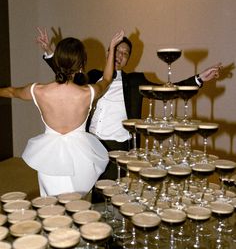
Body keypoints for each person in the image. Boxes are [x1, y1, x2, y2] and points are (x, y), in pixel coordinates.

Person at [38, 28, 222, 201]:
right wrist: (50, 53)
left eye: (125, 54)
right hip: (87, 144)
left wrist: (198, 79)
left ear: (128, 60)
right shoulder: (92, 77)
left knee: (108, 195)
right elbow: (65, 76)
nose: (120, 56)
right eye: (117, 51)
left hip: (116, 147)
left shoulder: (135, 81)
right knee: (78, 191)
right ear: (108, 52)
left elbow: (167, 90)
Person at [0, 30, 125, 197]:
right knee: (76, 206)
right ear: (81, 66)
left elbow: (10, 92)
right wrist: (112, 47)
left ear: (57, 62)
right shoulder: (88, 93)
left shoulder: (38, 91)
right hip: (81, 157)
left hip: (49, 157)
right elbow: (108, 78)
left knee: (51, 208)